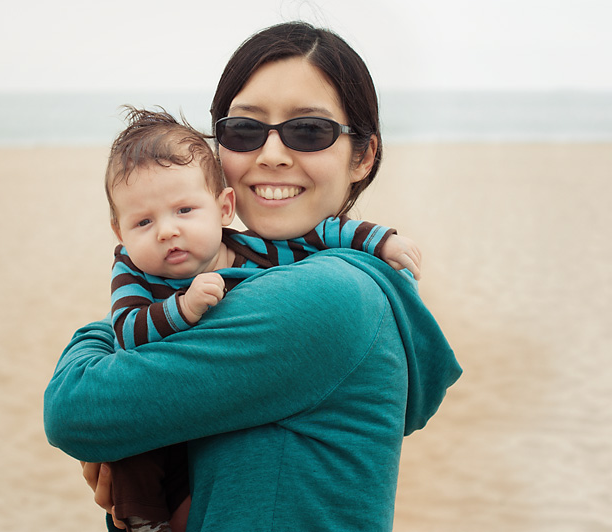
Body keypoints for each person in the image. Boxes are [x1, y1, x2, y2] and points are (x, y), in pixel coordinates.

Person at [44, 21, 462, 532]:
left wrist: (100, 340)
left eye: (309, 130)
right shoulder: (277, 274)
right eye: (244, 129)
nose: (271, 154)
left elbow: (74, 408)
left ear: (363, 155)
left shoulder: (329, 297)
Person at [102, 106, 422, 531]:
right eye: (142, 222)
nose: (166, 231)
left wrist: (380, 240)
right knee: (129, 464)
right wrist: (181, 308)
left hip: (215, 412)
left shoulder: (259, 251)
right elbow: (124, 329)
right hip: (160, 419)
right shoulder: (133, 270)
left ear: (223, 207)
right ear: (119, 232)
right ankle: (145, 521)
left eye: (183, 211)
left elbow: (321, 233)